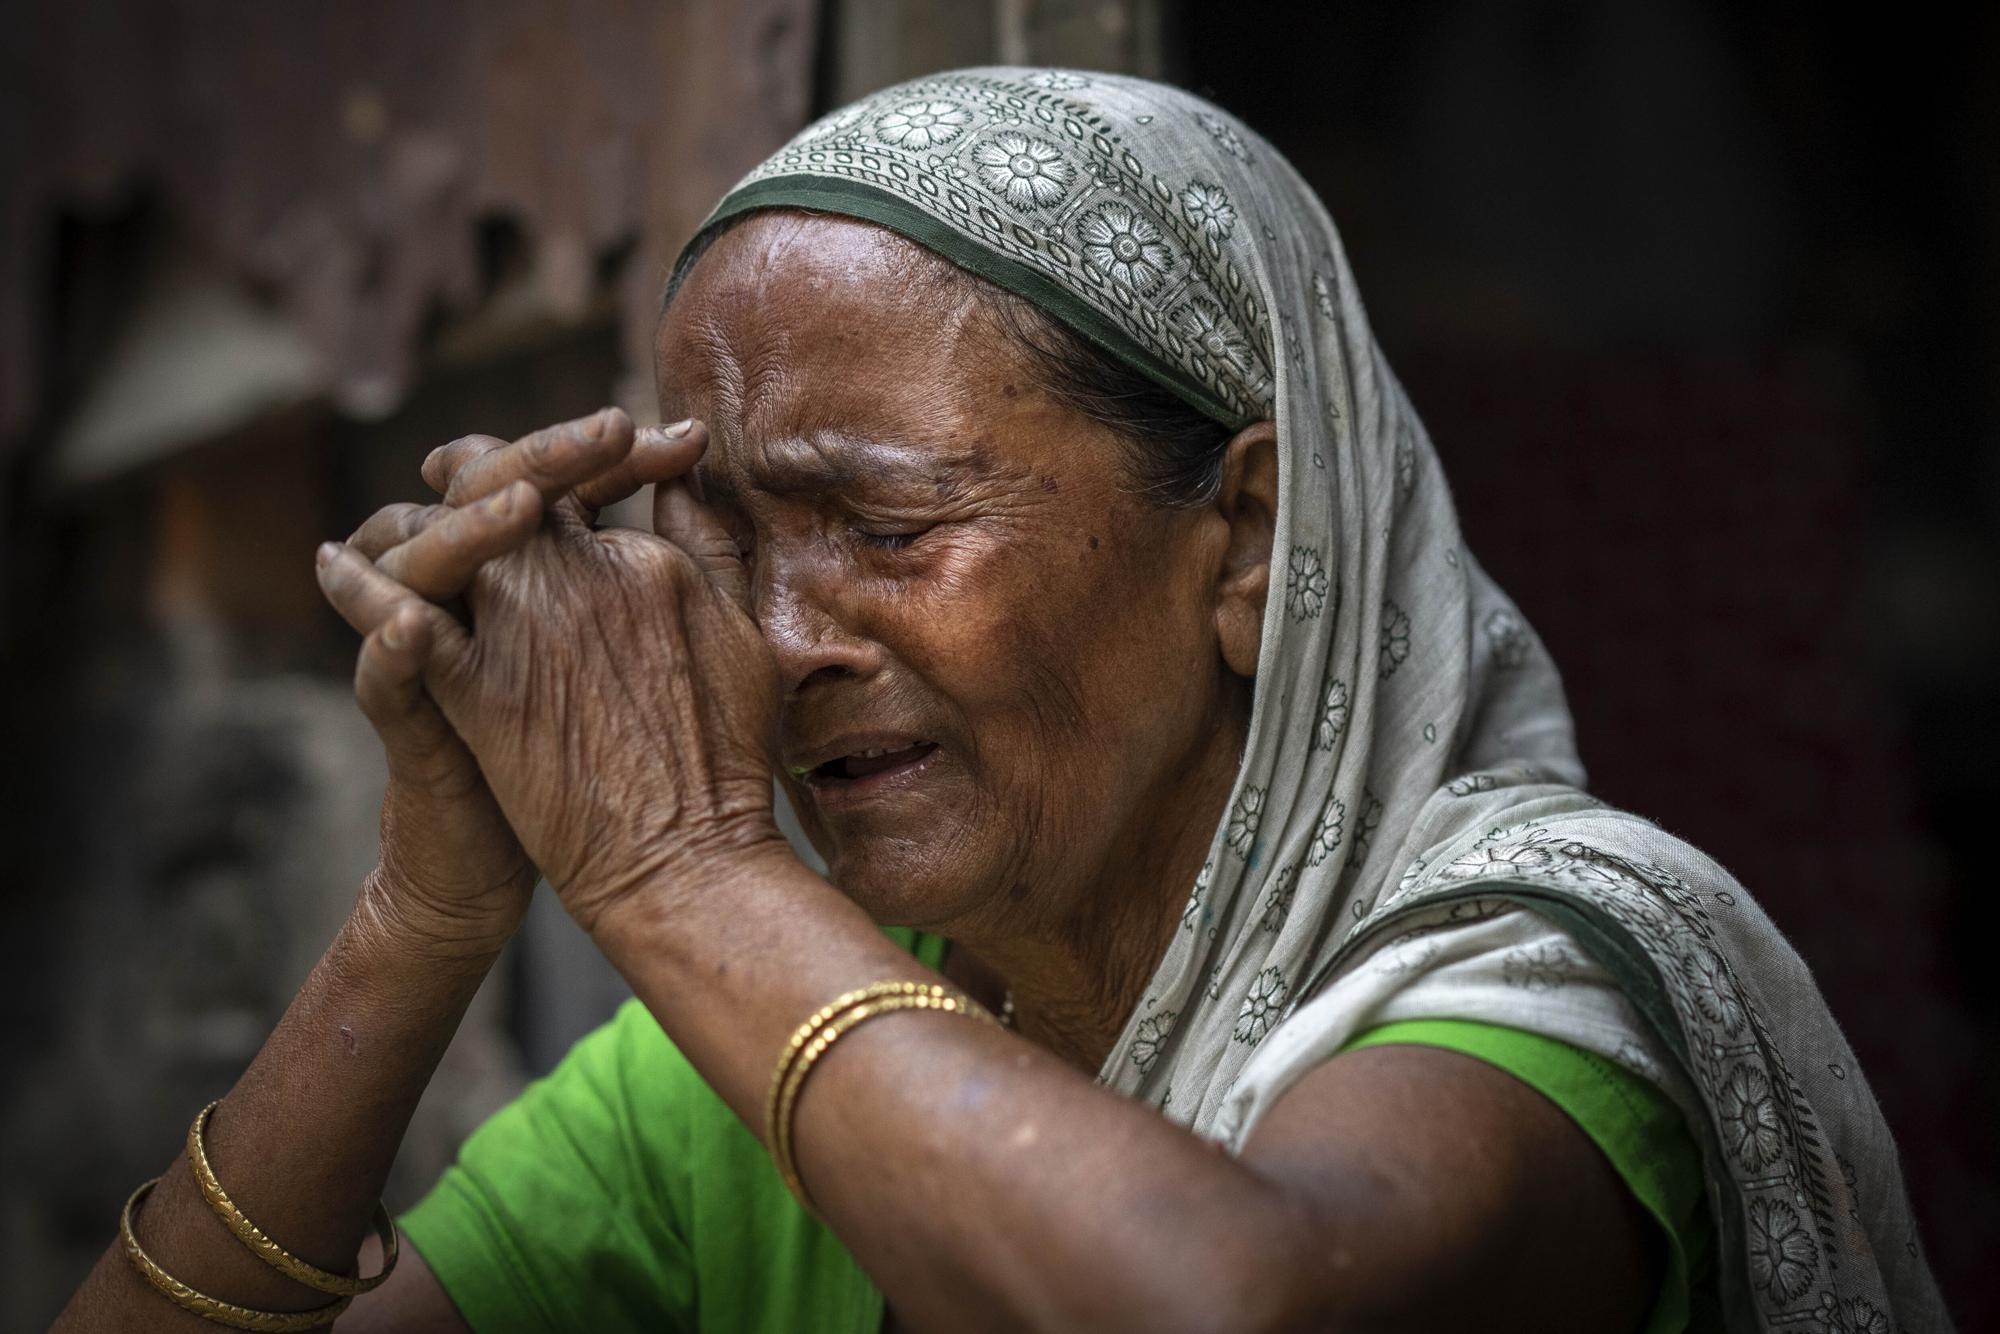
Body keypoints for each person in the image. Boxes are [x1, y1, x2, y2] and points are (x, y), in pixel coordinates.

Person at [54, 68, 1950, 1334]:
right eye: (724, 545)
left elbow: (1226, 1303)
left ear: (1248, 536)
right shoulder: (745, 1070)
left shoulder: (1538, 974)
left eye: (886, 526)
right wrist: (425, 913)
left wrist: (680, 868)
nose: (781, 638)